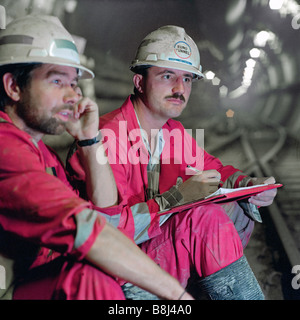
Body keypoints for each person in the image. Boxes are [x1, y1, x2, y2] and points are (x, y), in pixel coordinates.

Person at [68, 25, 278, 300]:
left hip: (148, 254)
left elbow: (214, 168)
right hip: (113, 272)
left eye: (188, 79)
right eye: (167, 76)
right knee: (204, 220)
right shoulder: (106, 137)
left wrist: (247, 184)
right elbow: (108, 234)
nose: (180, 88)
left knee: (233, 207)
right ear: (139, 82)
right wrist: (177, 198)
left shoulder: (172, 133)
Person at [0, 16, 194, 300]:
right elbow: (87, 228)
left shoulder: (42, 152)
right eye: (57, 81)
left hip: (33, 280)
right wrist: (179, 298)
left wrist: (90, 141)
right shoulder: (6, 147)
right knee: (90, 280)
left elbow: (106, 215)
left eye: (73, 82)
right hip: (14, 287)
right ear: (13, 87)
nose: (73, 95)